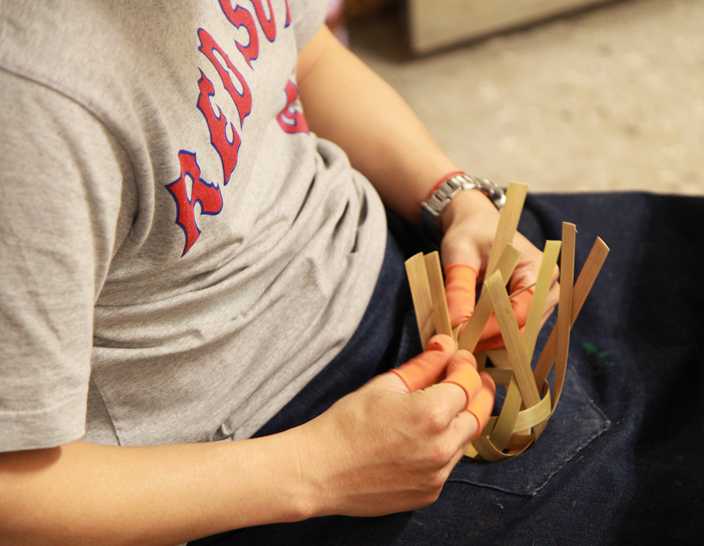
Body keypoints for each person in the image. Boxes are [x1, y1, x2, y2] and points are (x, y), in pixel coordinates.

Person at [0, 1, 560, 545]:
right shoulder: (30, 102)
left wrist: (454, 200)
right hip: (251, 458)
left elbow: (307, 55)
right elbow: (14, 494)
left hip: (375, 245)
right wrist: (320, 468)